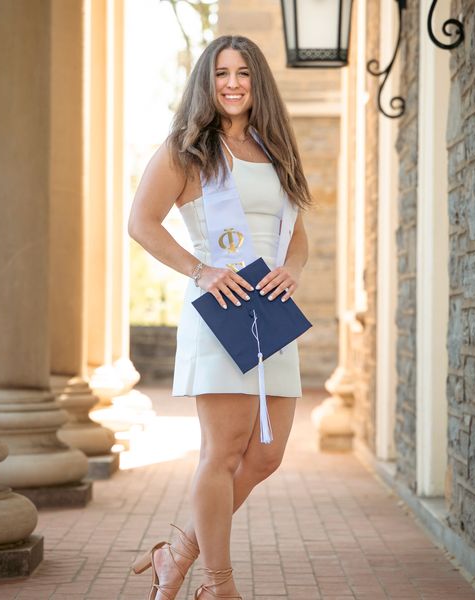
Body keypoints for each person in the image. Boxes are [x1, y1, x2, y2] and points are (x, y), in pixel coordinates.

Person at [128, 34, 311, 600]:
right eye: (222, 73)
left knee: (267, 455)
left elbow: (295, 234)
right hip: (223, 312)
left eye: (244, 73)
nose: (233, 83)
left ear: (258, 83)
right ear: (207, 82)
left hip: (271, 312)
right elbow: (142, 222)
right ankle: (218, 585)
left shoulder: (275, 149)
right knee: (223, 452)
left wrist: (292, 270)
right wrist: (199, 269)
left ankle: (177, 553)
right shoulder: (187, 150)